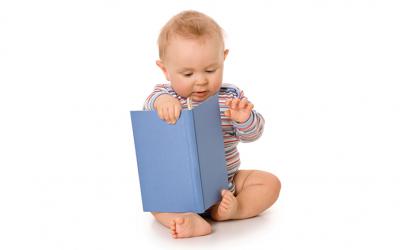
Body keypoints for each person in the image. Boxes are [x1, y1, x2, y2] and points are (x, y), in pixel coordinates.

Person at [143, 10, 281, 239]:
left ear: (223, 58)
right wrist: (163, 103)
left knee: (270, 183)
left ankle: (234, 209)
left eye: (210, 70)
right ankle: (190, 219)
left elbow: (253, 134)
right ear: (165, 70)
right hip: (181, 189)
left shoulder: (231, 95)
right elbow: (150, 105)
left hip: (227, 184)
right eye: (187, 73)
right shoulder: (164, 95)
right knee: (155, 202)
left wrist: (244, 119)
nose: (201, 80)